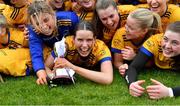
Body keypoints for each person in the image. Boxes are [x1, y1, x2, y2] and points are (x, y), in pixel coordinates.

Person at [122, 21, 180, 99]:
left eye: (175, 43)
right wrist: (132, 84)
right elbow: (133, 67)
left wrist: (170, 92)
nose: (167, 46)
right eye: (165, 39)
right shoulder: (154, 41)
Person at [45, 21, 113, 85]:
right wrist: (52, 76)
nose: (84, 45)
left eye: (89, 40)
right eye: (80, 40)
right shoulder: (65, 44)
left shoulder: (101, 48)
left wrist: (73, 67)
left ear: (94, 39)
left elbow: (108, 78)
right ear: (74, 39)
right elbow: (46, 66)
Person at [28, 0, 79, 85]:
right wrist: (42, 74)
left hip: (73, 51)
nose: (43, 26)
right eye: (37, 23)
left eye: (46, 20)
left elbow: (83, 37)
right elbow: (36, 53)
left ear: (53, 14)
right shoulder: (33, 30)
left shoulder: (70, 18)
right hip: (51, 55)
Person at [111, 8, 161, 73]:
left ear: (144, 31)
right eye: (126, 24)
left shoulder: (153, 38)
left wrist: (135, 57)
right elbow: (117, 62)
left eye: (131, 28)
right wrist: (122, 67)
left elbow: (151, 63)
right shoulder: (120, 34)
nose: (126, 29)